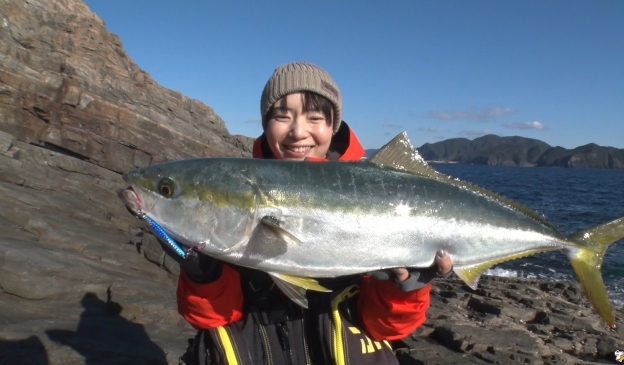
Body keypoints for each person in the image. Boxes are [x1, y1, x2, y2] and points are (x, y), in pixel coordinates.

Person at [167, 62, 453, 365]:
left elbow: (386, 327)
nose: (298, 131)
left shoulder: (378, 192)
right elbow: (208, 319)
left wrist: (406, 289)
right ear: (265, 124)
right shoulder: (237, 196)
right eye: (281, 116)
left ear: (334, 127)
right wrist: (204, 275)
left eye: (315, 117)